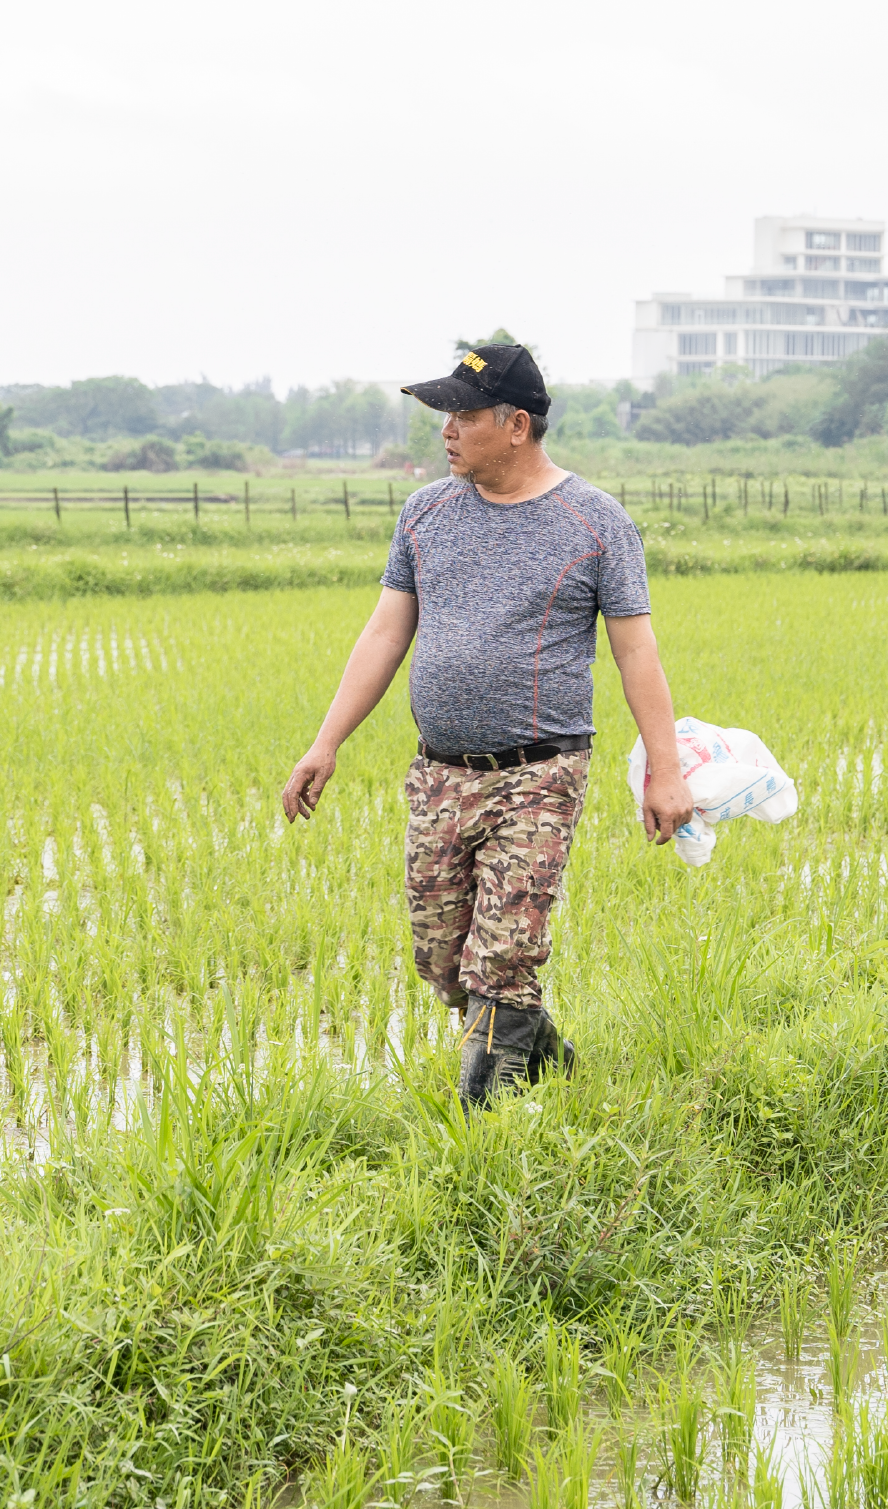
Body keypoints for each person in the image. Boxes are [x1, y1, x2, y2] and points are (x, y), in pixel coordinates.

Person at [280, 342, 693, 1107]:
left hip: (541, 772)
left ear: (516, 425)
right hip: (440, 771)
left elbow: (637, 652)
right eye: (444, 415)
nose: (446, 429)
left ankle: (480, 1137)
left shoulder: (594, 522)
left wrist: (665, 770)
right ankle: (552, 1061)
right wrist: (325, 742)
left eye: (463, 415)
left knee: (502, 962)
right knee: (444, 963)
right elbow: (385, 632)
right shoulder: (426, 512)